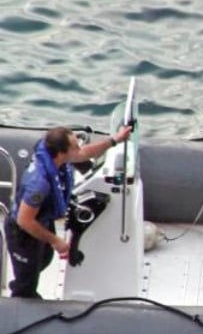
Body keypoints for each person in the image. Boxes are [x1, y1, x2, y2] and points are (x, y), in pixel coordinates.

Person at [5, 124, 133, 299]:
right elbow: (24, 221)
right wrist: (56, 240)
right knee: (26, 281)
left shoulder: (56, 156)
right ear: (61, 153)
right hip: (23, 232)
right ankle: (21, 299)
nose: (79, 148)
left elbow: (83, 153)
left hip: (42, 219)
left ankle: (24, 280)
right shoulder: (39, 184)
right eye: (74, 146)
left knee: (45, 258)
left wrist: (114, 140)